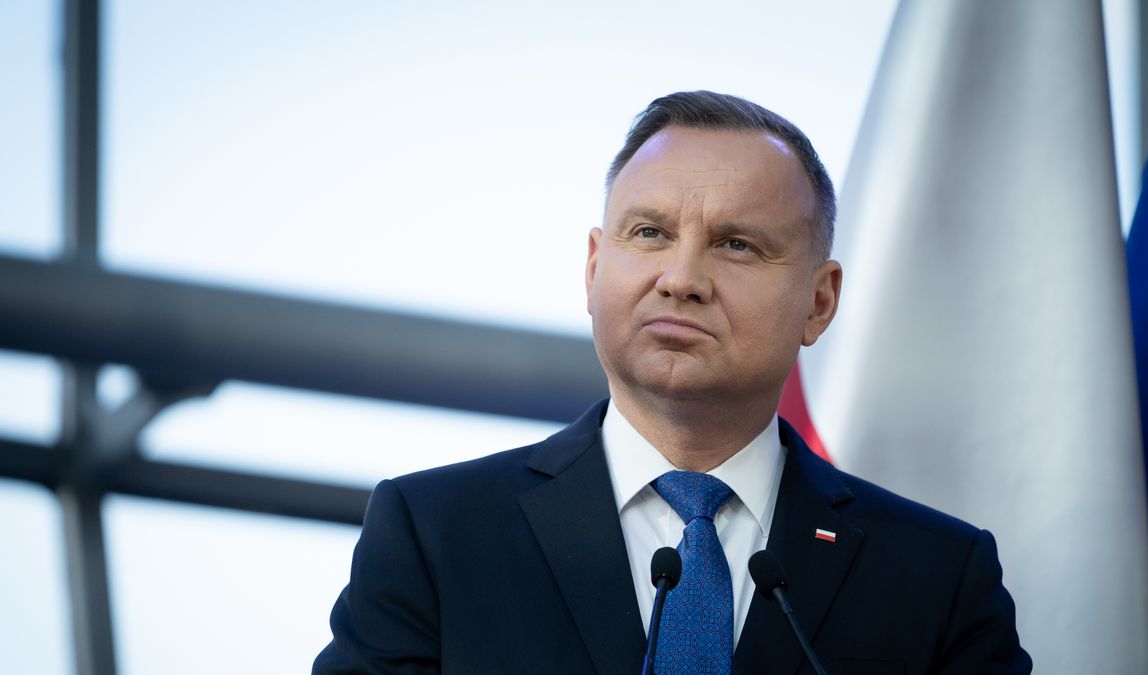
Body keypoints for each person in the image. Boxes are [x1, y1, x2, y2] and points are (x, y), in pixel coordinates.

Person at [313, 91, 1032, 674]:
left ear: (819, 301)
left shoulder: (938, 576)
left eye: (736, 244)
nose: (682, 279)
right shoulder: (434, 532)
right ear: (595, 268)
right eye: (650, 233)